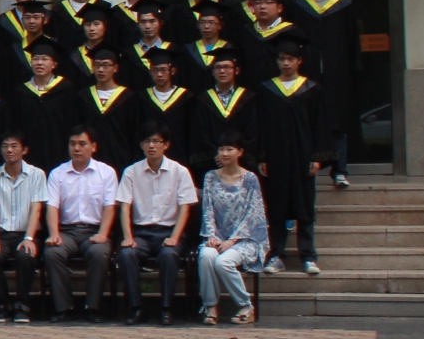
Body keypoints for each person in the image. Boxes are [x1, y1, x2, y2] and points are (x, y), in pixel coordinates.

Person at [258, 35, 334, 276]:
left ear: (299, 61)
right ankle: (277, 255)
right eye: (282, 58)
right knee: (277, 205)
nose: (286, 63)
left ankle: (308, 256)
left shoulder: (312, 89)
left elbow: (320, 126)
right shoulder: (267, 89)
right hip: (276, 157)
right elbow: (261, 126)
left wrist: (317, 157)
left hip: (303, 157)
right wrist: (262, 156)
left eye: (290, 59)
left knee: (305, 206)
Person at [287, 0, 360, 189]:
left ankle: (340, 171)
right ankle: (306, 167)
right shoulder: (297, 4)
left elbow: (352, 39)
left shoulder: (344, 4)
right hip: (307, 71)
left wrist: (353, 68)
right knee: (307, 120)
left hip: (337, 73)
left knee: (337, 121)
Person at [115, 121, 198, 326]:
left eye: (156, 141)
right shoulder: (131, 172)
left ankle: (166, 308)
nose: (151, 145)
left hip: (169, 232)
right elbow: (124, 206)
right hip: (141, 233)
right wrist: (128, 237)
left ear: (166, 145)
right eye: (147, 141)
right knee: (126, 254)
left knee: (169, 254)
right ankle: (136, 307)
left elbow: (185, 207)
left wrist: (175, 237)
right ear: (141, 145)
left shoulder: (180, 171)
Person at [43, 126, 118, 323]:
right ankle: (63, 307)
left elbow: (110, 207)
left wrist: (103, 233)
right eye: (72, 144)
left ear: (93, 147)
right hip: (67, 231)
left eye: (82, 144)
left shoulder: (106, 173)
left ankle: (93, 307)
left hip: (94, 230)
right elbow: (52, 206)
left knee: (98, 253)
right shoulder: (58, 173)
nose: (76, 148)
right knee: (52, 252)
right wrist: (54, 233)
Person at [198, 130, 268, 325]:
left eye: (230, 149)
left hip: (245, 239)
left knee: (223, 262)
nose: (225, 153)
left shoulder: (250, 179)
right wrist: (212, 236)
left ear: (240, 152)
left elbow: (253, 214)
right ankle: (210, 306)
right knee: (206, 256)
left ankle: (246, 306)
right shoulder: (210, 177)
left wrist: (232, 241)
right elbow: (208, 209)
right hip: (217, 237)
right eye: (221, 149)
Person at [0, 131, 47, 323]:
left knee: (26, 255)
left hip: (26, 233)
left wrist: (29, 238)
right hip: (2, 234)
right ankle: (1, 305)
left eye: (14, 146)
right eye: (5, 146)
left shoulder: (37, 175)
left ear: (24, 150)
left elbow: (36, 209)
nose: (9, 150)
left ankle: (22, 305)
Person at [9, 38, 78, 173]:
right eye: (35, 59)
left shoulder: (66, 89)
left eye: (45, 59)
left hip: (59, 150)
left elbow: (72, 120)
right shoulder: (21, 92)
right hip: (29, 152)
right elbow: (16, 125)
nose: (39, 63)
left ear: (54, 64)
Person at [191, 48, 258, 177]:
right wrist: (218, 155)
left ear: (236, 70)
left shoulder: (248, 98)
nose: (222, 71)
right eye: (218, 67)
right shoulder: (203, 100)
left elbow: (252, 130)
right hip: (211, 163)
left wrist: (237, 154)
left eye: (227, 67)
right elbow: (200, 132)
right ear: (212, 72)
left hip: (241, 163)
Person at [76, 46, 141, 170]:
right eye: (97, 65)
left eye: (106, 65)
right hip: (90, 159)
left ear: (115, 68)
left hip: (120, 157)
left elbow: (134, 132)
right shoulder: (83, 96)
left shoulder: (128, 97)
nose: (101, 69)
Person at [237, 0, 308, 89]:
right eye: (258, 3)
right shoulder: (246, 32)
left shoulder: (292, 32)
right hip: (250, 90)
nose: (262, 6)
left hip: (283, 91)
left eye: (268, 2)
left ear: (279, 8)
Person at [137, 47, 194, 161]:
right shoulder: (142, 97)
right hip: (150, 156)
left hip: (180, 153)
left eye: (163, 70)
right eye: (155, 70)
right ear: (150, 72)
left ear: (172, 71)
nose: (159, 74)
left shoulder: (186, 98)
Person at [122, 0, 174, 90]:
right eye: (143, 22)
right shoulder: (128, 54)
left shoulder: (172, 50)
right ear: (137, 24)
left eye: (152, 21)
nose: (147, 26)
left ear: (161, 23)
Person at [181, 0, 231, 94]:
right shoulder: (188, 50)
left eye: (211, 22)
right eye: (203, 22)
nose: (206, 26)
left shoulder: (228, 49)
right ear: (198, 25)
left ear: (220, 25)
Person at [1, 0, 51, 86]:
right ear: (22, 20)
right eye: (27, 17)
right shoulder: (13, 49)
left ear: (45, 19)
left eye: (36, 17)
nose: (31, 21)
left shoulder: (54, 45)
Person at [63, 3, 111, 87]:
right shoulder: (74, 55)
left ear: (105, 27)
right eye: (88, 25)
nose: (91, 29)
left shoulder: (113, 54)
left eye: (96, 24)